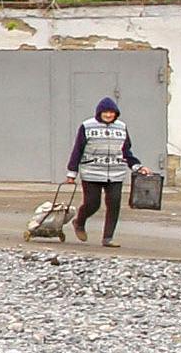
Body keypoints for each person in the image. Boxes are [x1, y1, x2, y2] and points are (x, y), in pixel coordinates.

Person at [64, 97, 149, 248]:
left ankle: (108, 238)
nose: (109, 115)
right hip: (92, 172)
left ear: (116, 113)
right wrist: (71, 173)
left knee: (114, 204)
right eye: (105, 112)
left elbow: (126, 151)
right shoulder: (87, 126)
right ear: (99, 113)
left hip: (116, 173)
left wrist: (137, 166)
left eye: (111, 112)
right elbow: (78, 150)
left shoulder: (122, 127)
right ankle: (79, 222)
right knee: (92, 203)